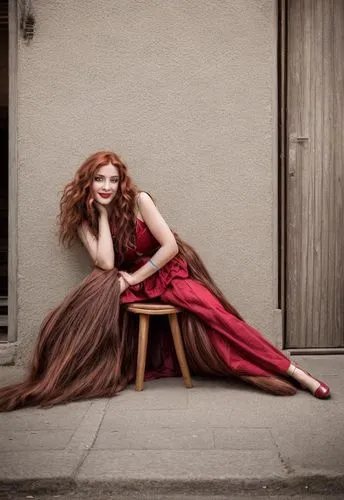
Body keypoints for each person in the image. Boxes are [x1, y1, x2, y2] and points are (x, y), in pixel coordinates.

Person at [0, 151, 330, 411]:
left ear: (121, 182)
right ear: (88, 182)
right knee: (98, 292)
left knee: (217, 319)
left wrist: (131, 281)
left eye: (113, 180)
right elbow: (106, 263)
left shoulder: (140, 201)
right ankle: (68, 371)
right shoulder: (85, 220)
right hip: (131, 278)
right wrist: (101, 215)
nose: (106, 186)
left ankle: (295, 372)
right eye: (99, 179)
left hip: (165, 271)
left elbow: (169, 247)